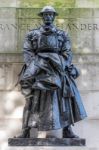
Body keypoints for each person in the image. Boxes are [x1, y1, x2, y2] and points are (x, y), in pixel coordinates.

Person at [16, 6, 87, 138]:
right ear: (42, 17)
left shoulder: (62, 34)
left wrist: (58, 63)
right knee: (31, 101)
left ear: (54, 16)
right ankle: (25, 131)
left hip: (57, 68)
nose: (48, 17)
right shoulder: (32, 34)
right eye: (46, 15)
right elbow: (27, 52)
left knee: (66, 97)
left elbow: (67, 52)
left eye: (50, 15)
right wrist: (37, 65)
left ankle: (67, 130)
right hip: (38, 69)